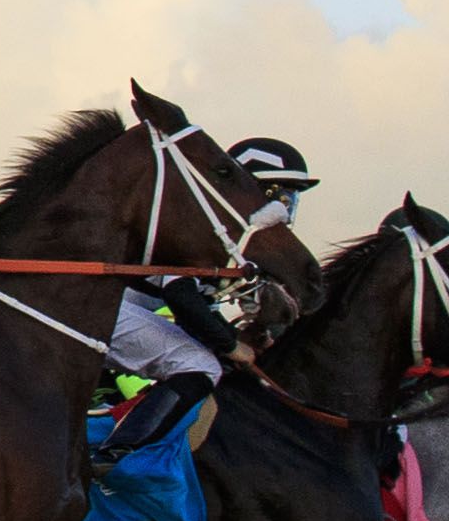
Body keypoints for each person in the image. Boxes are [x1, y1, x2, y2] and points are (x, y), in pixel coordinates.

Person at [92, 134, 314, 460]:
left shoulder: (230, 241)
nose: (286, 209)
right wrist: (229, 344)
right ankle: (118, 457)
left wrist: (239, 337)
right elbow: (181, 296)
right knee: (200, 364)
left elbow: (200, 308)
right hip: (104, 310)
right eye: (281, 196)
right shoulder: (200, 227)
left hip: (121, 313)